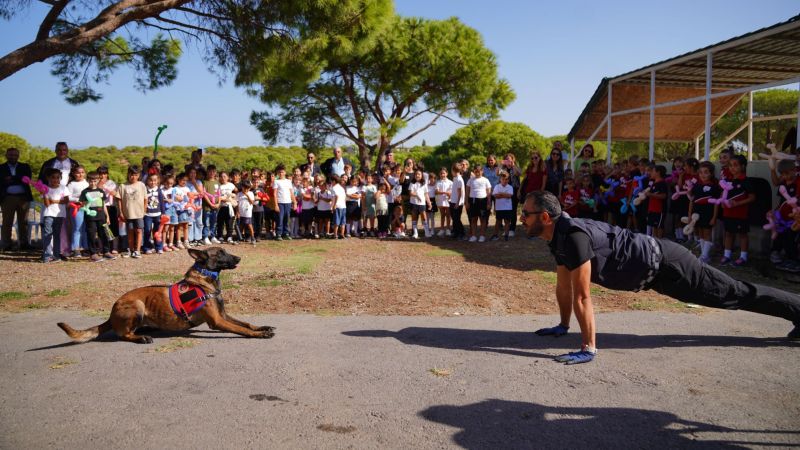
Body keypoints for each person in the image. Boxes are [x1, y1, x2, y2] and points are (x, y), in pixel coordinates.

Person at [521, 190, 800, 365]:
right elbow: (563, 285)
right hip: (659, 276)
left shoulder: (572, 237)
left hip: (669, 264)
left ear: (544, 216)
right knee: (730, 297)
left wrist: (589, 348)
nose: (522, 218)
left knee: (735, 293)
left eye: (525, 213)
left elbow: (582, 295)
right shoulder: (556, 237)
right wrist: (562, 325)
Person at [720, 155, 754, 266]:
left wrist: (737, 203)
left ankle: (743, 257)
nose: (732, 168)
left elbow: (752, 197)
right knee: (728, 233)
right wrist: (722, 202)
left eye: (735, 165)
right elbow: (723, 194)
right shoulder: (727, 181)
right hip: (728, 213)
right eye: (730, 165)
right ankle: (727, 255)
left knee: (742, 235)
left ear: (743, 166)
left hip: (741, 214)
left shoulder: (746, 181)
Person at [686, 162, 720, 264]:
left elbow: (716, 204)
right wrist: (689, 214)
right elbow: (692, 200)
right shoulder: (696, 186)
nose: (703, 175)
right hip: (697, 214)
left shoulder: (714, 187)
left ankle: (705, 255)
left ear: (711, 173)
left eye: (706, 172)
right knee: (700, 233)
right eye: (700, 172)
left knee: (707, 233)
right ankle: (703, 254)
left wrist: (714, 217)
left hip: (708, 213)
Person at [0, 147, 33, 251]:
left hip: (23, 197)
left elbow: (27, 179)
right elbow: (1, 181)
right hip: (7, 198)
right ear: (6, 155)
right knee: (7, 222)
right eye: (11, 155)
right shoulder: (1, 167)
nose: (13, 157)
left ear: (18, 156)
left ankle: (24, 244)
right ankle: (6, 244)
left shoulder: (25, 166)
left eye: (15, 155)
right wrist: (18, 178)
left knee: (24, 222)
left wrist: (11, 178)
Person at [80, 171, 114, 261]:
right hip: (90, 218)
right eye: (91, 181)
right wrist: (85, 205)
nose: (93, 183)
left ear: (98, 180)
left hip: (101, 216)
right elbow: (82, 205)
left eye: (95, 181)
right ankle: (93, 254)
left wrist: (107, 216)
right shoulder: (84, 192)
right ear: (88, 180)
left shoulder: (100, 191)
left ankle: (106, 252)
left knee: (104, 234)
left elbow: (104, 204)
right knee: (91, 235)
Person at [117, 165, 147, 258]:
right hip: (128, 213)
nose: (133, 177)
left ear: (138, 175)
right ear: (128, 174)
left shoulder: (141, 185)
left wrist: (144, 210)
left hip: (139, 213)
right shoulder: (123, 186)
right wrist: (121, 212)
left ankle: (137, 250)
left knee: (138, 230)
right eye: (131, 174)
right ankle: (131, 249)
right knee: (130, 231)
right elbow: (119, 200)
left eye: (135, 175)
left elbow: (146, 198)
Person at [41, 168, 69, 263]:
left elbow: (66, 200)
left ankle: (56, 255)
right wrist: (45, 194)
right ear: (48, 178)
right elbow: (47, 204)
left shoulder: (64, 188)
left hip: (59, 214)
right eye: (53, 177)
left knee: (57, 235)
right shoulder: (45, 188)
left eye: (58, 177)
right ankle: (47, 256)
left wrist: (55, 201)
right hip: (48, 214)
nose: (55, 180)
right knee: (47, 234)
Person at [66, 165, 89, 257]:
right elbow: (68, 197)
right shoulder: (71, 184)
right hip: (76, 208)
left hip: (87, 207)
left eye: (82, 172)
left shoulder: (87, 183)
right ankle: (75, 248)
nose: (80, 174)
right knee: (77, 228)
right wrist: (78, 200)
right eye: (78, 172)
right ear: (74, 173)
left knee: (85, 228)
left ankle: (86, 247)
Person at [466, 166, 492, 243]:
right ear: (474, 171)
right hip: (473, 201)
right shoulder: (470, 180)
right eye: (476, 171)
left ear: (482, 171)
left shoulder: (486, 180)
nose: (477, 172)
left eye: (479, 171)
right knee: (473, 219)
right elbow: (467, 191)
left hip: (483, 201)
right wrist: (466, 202)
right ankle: (473, 236)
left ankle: (482, 236)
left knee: (483, 219)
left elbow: (489, 193)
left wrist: (489, 203)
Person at [273, 164, 296, 241]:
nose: (281, 173)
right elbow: (275, 194)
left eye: (282, 172)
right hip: (280, 202)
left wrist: (295, 202)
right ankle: (278, 234)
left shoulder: (288, 181)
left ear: (285, 172)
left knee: (287, 218)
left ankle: (285, 233)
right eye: (279, 172)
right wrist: (276, 205)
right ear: (277, 173)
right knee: (280, 218)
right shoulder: (276, 181)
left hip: (288, 202)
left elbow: (291, 192)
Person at [492, 171, 515, 241]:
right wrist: (504, 194)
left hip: (507, 208)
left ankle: (506, 235)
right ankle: (495, 235)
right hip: (499, 208)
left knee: (507, 221)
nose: (505, 181)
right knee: (498, 222)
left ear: (508, 180)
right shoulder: (497, 186)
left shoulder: (510, 187)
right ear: (500, 179)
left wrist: (501, 194)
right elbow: (496, 196)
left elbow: (509, 196)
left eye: (506, 179)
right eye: (503, 179)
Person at [237, 179, 256, 245]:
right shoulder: (239, 194)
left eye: (247, 188)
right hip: (241, 212)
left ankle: (253, 238)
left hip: (247, 212)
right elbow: (237, 203)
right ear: (242, 187)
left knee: (249, 225)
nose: (245, 190)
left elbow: (252, 202)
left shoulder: (250, 193)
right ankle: (239, 238)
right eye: (244, 188)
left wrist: (247, 195)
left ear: (249, 188)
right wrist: (238, 212)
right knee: (241, 225)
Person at [449, 164, 466, 240]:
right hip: (453, 201)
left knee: (456, 218)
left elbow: (460, 193)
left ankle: (461, 233)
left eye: (452, 170)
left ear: (454, 170)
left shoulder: (459, 179)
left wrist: (457, 203)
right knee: (454, 218)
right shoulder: (455, 178)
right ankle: (456, 232)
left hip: (457, 202)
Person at [331, 174, 347, 239]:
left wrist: (334, 205)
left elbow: (336, 196)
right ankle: (342, 234)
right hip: (343, 206)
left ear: (334, 181)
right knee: (343, 221)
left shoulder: (334, 188)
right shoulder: (341, 187)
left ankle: (335, 235)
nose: (331, 182)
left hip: (337, 206)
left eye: (331, 181)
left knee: (336, 221)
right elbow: (344, 197)